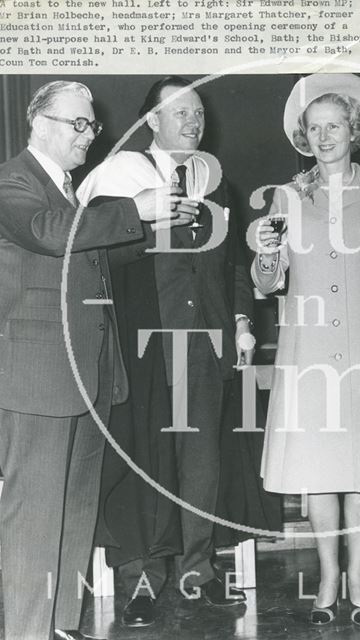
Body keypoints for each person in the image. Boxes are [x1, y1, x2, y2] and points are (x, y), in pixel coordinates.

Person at [0, 81, 196, 640]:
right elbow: (48, 235)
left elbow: (89, 254)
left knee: (75, 513)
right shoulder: (14, 179)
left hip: (87, 373)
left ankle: (60, 626)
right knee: (35, 518)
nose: (90, 135)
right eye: (78, 124)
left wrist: (155, 228)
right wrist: (135, 209)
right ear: (40, 123)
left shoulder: (64, 189)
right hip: (37, 380)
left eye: (92, 126)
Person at [78, 76, 254, 627]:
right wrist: (145, 219)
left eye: (198, 112)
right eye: (179, 112)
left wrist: (243, 322)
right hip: (142, 348)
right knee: (143, 462)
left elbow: (231, 268)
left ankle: (197, 572)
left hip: (203, 345)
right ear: (150, 122)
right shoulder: (119, 178)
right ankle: (143, 583)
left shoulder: (215, 184)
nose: (193, 122)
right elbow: (96, 255)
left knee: (201, 466)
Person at [252, 73, 360, 627]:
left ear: (355, 131)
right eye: (314, 127)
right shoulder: (285, 196)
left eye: (334, 126)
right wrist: (267, 256)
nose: (324, 136)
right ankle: (326, 575)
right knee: (318, 468)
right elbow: (268, 281)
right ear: (304, 135)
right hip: (309, 350)